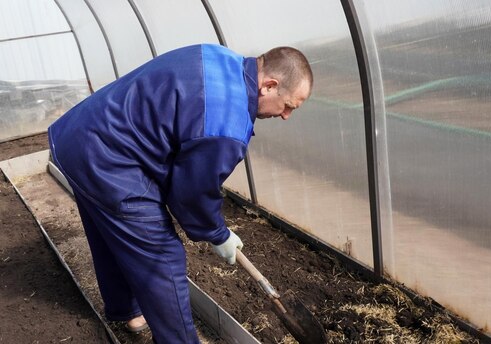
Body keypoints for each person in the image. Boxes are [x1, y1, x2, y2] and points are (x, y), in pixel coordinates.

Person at [47, 44, 313, 343]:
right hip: (110, 161)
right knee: (162, 257)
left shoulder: (217, 55)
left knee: (109, 230)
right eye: (289, 105)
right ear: (269, 86)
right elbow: (189, 194)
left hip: (79, 138)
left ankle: (126, 310)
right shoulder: (227, 125)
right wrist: (218, 234)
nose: (287, 115)